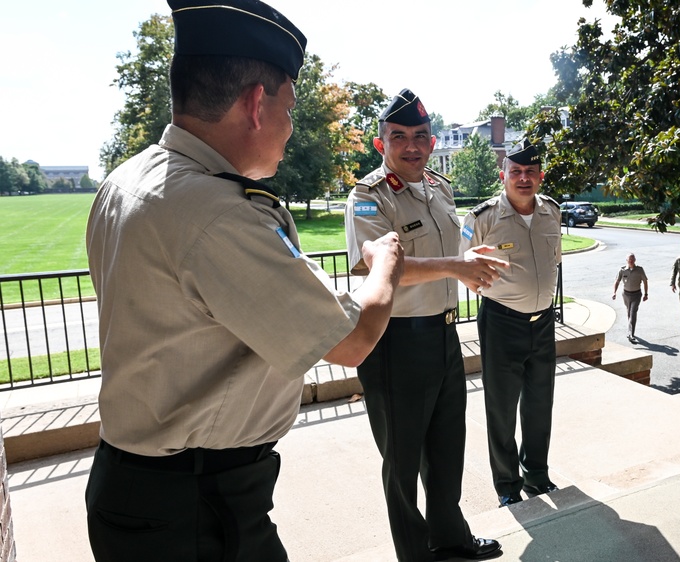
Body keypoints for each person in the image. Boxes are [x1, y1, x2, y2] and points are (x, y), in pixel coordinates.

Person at [84, 2, 405, 561]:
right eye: (290, 108)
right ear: (257, 103)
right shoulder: (216, 212)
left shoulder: (128, 179)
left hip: (146, 490)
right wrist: (385, 263)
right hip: (196, 507)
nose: (289, 128)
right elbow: (350, 343)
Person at [345, 89, 506, 562]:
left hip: (441, 334)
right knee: (401, 464)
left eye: (420, 137)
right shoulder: (369, 198)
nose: (411, 146)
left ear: (433, 143)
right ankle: (414, 555)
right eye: (399, 137)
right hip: (395, 342)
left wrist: (466, 262)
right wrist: (456, 267)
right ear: (382, 145)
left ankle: (449, 539)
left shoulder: (439, 187)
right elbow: (382, 270)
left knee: (446, 449)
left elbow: (443, 256)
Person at [459, 139, 562, 509]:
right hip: (502, 322)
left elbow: (554, 261)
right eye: (515, 172)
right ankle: (506, 484)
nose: (523, 178)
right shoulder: (482, 218)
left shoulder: (553, 212)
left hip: (544, 322)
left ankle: (537, 475)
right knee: (501, 409)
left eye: (530, 172)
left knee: (539, 404)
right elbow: (463, 263)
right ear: (503, 175)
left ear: (540, 176)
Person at [611, 253, 649, 343]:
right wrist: (614, 292)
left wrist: (646, 294)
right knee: (629, 312)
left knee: (632, 313)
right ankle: (630, 331)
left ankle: (631, 334)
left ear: (635, 260)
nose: (631, 261)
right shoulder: (623, 270)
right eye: (629, 260)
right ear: (627, 261)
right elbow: (617, 281)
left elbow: (645, 281)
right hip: (626, 295)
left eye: (632, 260)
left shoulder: (639, 270)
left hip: (636, 294)